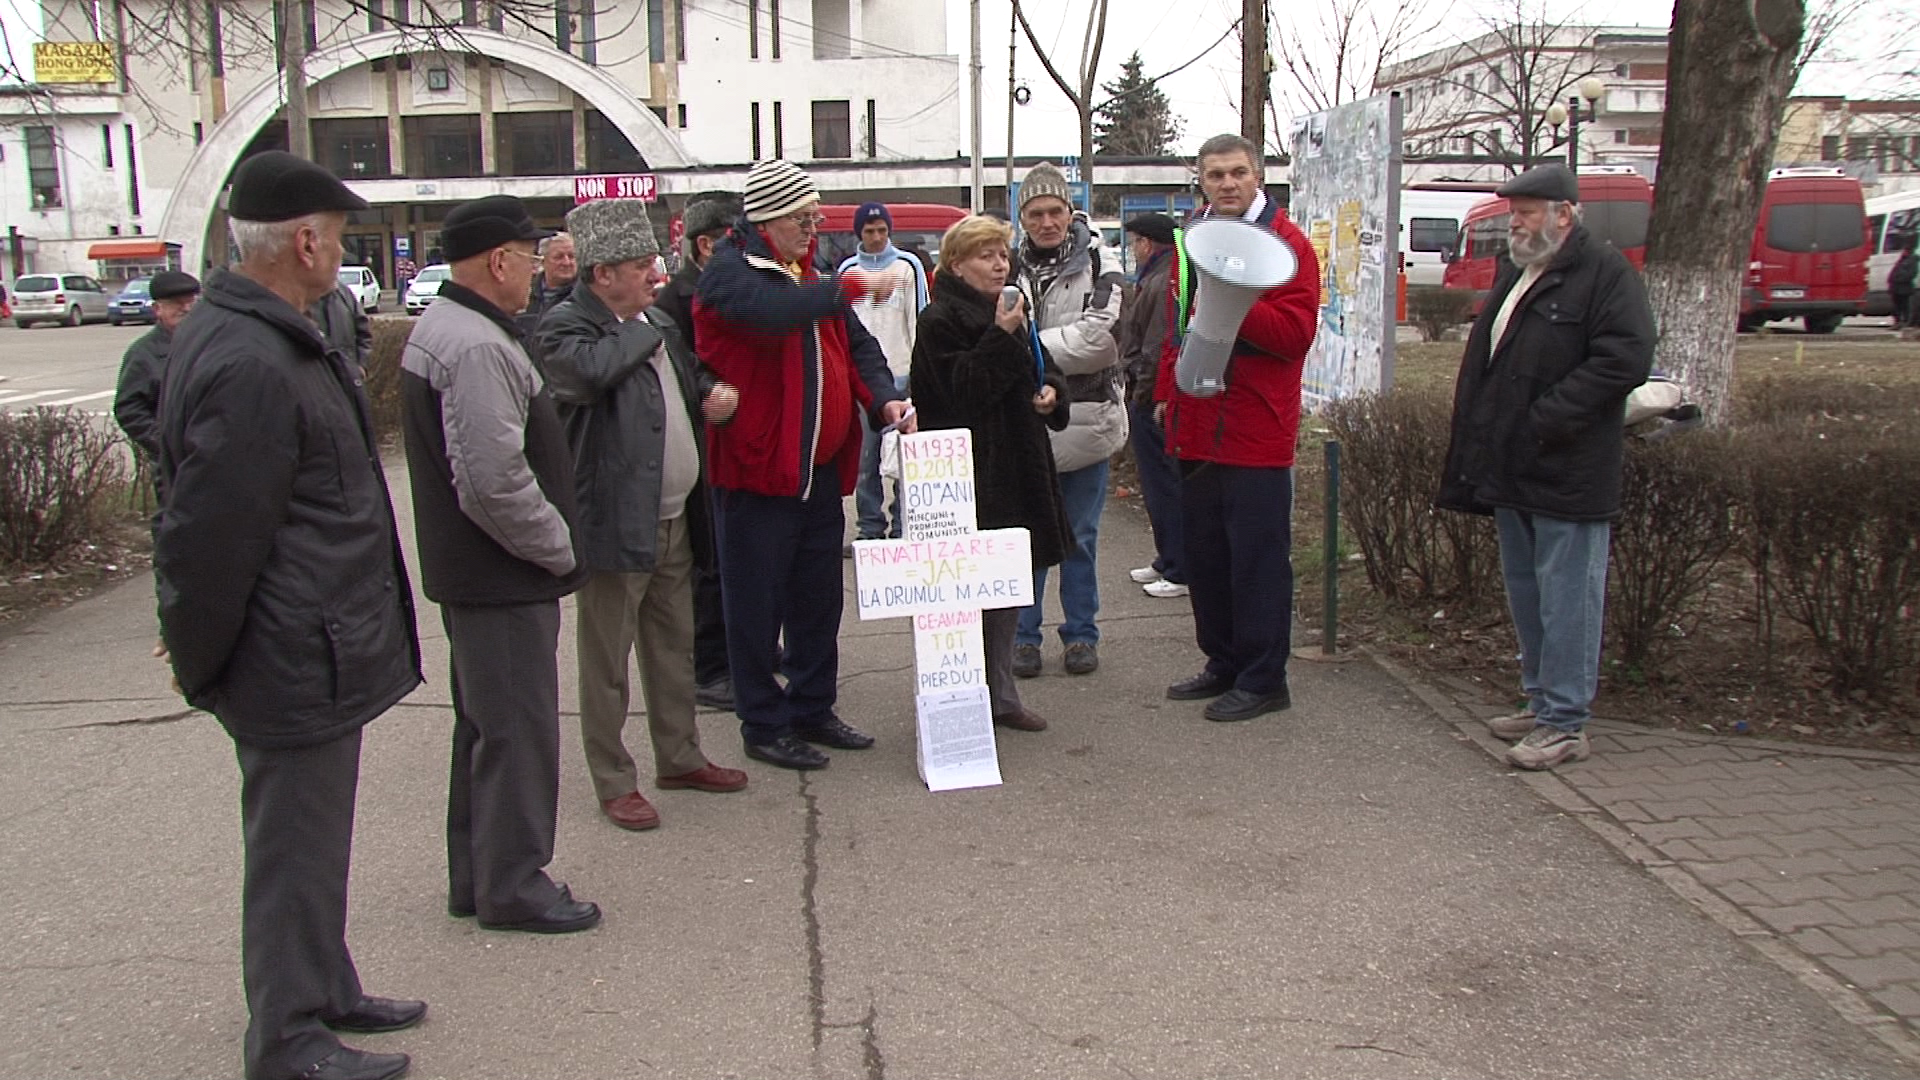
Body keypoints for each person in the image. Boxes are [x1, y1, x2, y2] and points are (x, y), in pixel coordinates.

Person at [154, 150, 425, 1080]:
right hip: (289, 650)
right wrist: (202, 660)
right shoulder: (251, 357)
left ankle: (323, 985)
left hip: (312, 640)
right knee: (291, 850)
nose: (342, 255)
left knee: (314, 841)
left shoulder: (270, 335)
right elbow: (209, 536)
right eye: (340, 239)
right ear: (305, 243)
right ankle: (287, 1039)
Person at [397, 194, 602, 933]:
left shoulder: (447, 326)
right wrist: (559, 547)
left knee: (486, 728)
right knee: (517, 730)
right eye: (529, 257)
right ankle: (514, 883)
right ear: (498, 261)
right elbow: (493, 482)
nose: (537, 271)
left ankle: (478, 875)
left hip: (477, 574)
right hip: (502, 574)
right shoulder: (478, 345)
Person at [535, 197, 749, 832]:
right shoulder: (566, 326)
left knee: (673, 646)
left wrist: (708, 392)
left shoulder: (652, 321)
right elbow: (586, 376)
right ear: (602, 274)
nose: (656, 275)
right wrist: (639, 327)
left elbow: (686, 374)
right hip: (614, 519)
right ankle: (613, 779)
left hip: (674, 515)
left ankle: (680, 757)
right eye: (640, 266)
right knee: (607, 661)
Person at [692, 159, 913, 771]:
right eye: (802, 218)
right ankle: (763, 723)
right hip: (758, 473)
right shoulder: (729, 275)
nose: (813, 228)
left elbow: (860, 348)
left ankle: (813, 706)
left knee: (817, 600)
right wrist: (847, 288)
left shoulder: (807, 275)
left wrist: (884, 399)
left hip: (816, 473)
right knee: (755, 606)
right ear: (767, 220)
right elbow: (772, 313)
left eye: (815, 217)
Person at [1437, 162, 1655, 771]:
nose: (1516, 223)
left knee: (1569, 599)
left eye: (1527, 212)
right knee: (1529, 593)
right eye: (1514, 212)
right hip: (1512, 466)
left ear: (1564, 215)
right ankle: (1540, 700)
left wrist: (1547, 417)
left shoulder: (1605, 273)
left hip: (1568, 468)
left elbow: (1625, 359)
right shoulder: (1518, 271)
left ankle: (1565, 722)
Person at [1153, 134, 1320, 724]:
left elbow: (1295, 334)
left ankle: (1263, 678)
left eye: (1238, 173)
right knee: (1206, 556)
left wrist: (1235, 299)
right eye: (1215, 174)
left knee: (1256, 561)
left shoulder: (1289, 245)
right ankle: (1222, 660)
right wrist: (1167, 393)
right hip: (1198, 421)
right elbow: (1178, 325)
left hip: (1255, 426)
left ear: (1258, 177)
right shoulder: (1194, 236)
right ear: (1201, 180)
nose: (1227, 183)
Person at [911, 215, 1071, 732]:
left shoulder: (1008, 308)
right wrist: (1000, 336)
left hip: (1018, 465)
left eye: (1003, 254)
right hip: (973, 475)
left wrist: (1053, 393)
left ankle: (1000, 693)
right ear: (957, 265)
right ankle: (969, 694)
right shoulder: (940, 319)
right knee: (972, 592)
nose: (1000, 264)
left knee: (1006, 586)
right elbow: (961, 392)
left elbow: (1043, 364)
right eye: (986, 256)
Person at [1009, 162, 1126, 680]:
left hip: (1087, 420)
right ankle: (1023, 637)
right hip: (1023, 428)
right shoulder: (1006, 263)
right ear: (1022, 218)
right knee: (1024, 539)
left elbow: (1102, 338)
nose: (1046, 222)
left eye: (1054, 210)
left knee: (1080, 536)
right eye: (1035, 213)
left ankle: (1081, 635)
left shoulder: (1102, 261)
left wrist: (1025, 352)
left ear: (1070, 210)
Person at [654, 193, 746, 711]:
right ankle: (710, 667)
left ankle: (737, 648)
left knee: (736, 556)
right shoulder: (676, 302)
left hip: (737, 442)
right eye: (738, 239)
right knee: (709, 558)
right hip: (700, 444)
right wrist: (710, 389)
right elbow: (681, 369)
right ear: (706, 245)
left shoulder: (735, 287)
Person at [838, 202, 929, 548]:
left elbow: (919, 318)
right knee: (867, 460)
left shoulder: (908, 266)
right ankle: (869, 527)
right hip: (862, 383)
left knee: (904, 458)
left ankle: (905, 524)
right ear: (859, 233)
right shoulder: (847, 272)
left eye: (882, 230)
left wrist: (919, 373)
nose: (876, 237)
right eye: (869, 231)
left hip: (901, 376)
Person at [1116, 213, 1185, 600]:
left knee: (1164, 484)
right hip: (1146, 391)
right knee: (1156, 483)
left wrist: (1143, 392)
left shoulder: (1162, 281)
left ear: (1147, 244)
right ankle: (1166, 557)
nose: (1133, 250)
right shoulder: (1157, 277)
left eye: (1134, 243)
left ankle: (1179, 566)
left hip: (1151, 397)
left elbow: (1157, 346)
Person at [113, 269, 200, 461]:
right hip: (176, 464)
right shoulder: (144, 353)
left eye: (191, 302)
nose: (186, 309)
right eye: (177, 303)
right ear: (157, 309)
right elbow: (129, 409)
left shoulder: (210, 343)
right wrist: (167, 445)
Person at [312, 277, 372, 368]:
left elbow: (363, 332)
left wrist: (361, 365)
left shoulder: (344, 293)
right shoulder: (296, 297)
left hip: (346, 371)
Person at [529, 232, 578, 314]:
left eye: (571, 256)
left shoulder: (587, 292)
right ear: (543, 261)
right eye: (558, 257)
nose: (566, 263)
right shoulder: (526, 292)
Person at [1890, 234, 1917, 330]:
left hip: (1904, 288)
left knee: (1905, 306)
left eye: (1905, 250)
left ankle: (1905, 322)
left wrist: (1899, 279)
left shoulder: (1912, 260)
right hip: (1896, 287)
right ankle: (1898, 322)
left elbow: (1911, 273)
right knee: (1896, 307)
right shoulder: (1902, 260)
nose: (1903, 251)